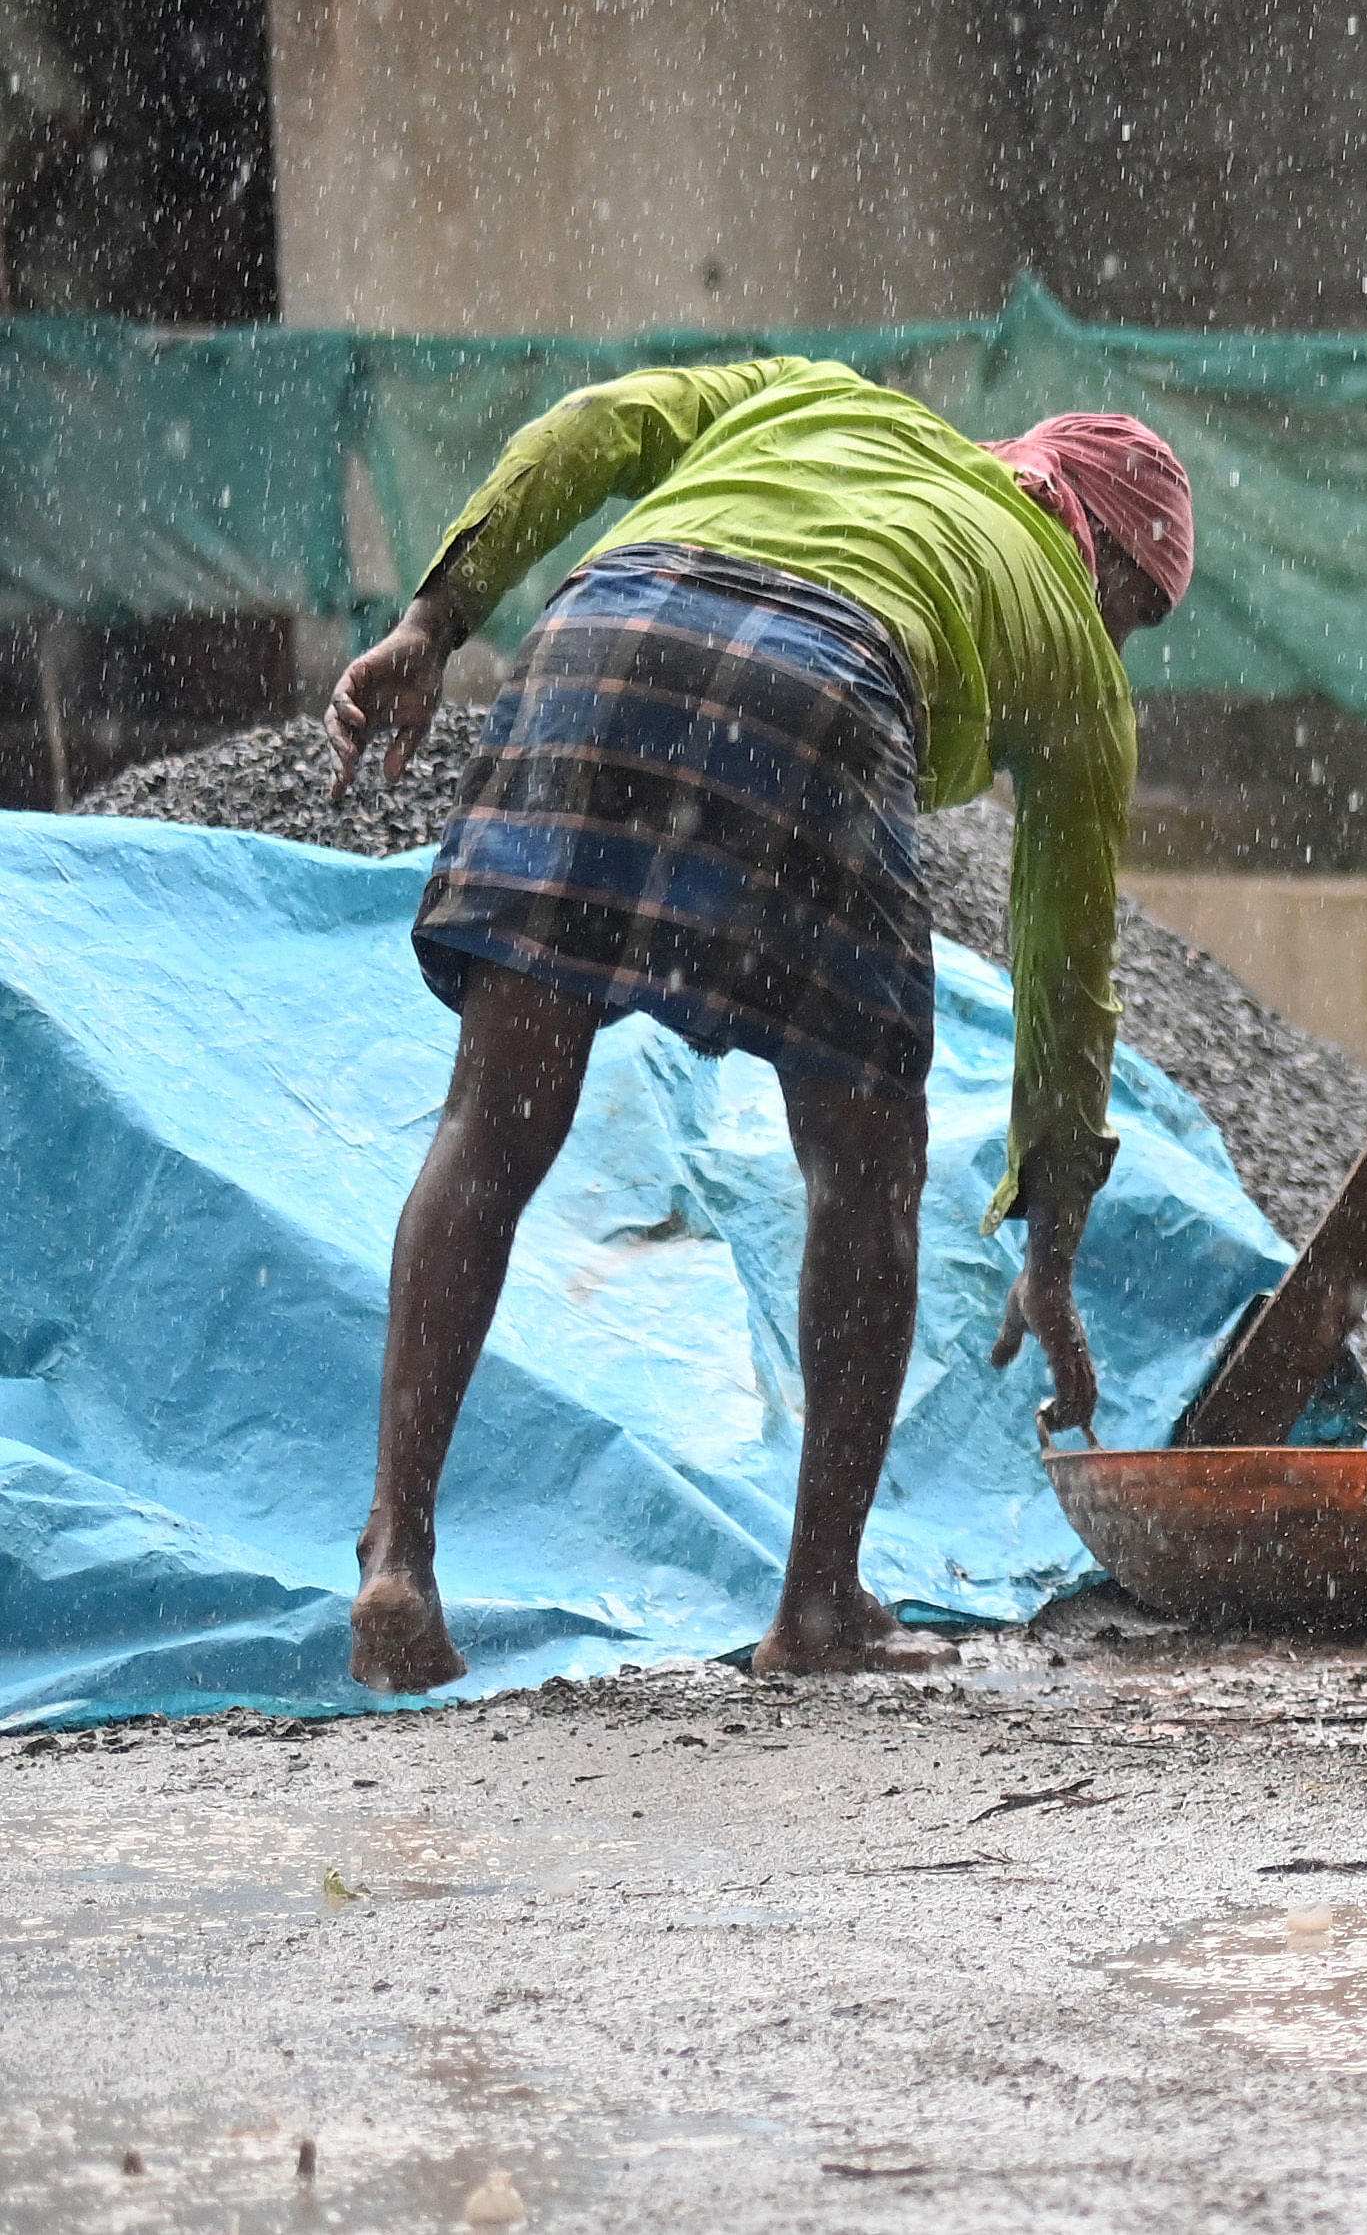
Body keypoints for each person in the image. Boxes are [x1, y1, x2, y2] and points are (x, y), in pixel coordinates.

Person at [323, 365, 1194, 1690]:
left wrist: (438, 619)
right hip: (822, 689)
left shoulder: (812, 397)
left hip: (595, 633)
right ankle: (820, 1600)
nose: (1122, 642)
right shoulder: (1075, 655)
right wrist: (1053, 1253)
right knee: (865, 1162)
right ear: (1110, 563)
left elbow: (591, 426)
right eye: (1138, 614)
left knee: (489, 1128)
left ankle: (400, 1548)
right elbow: (1064, 977)